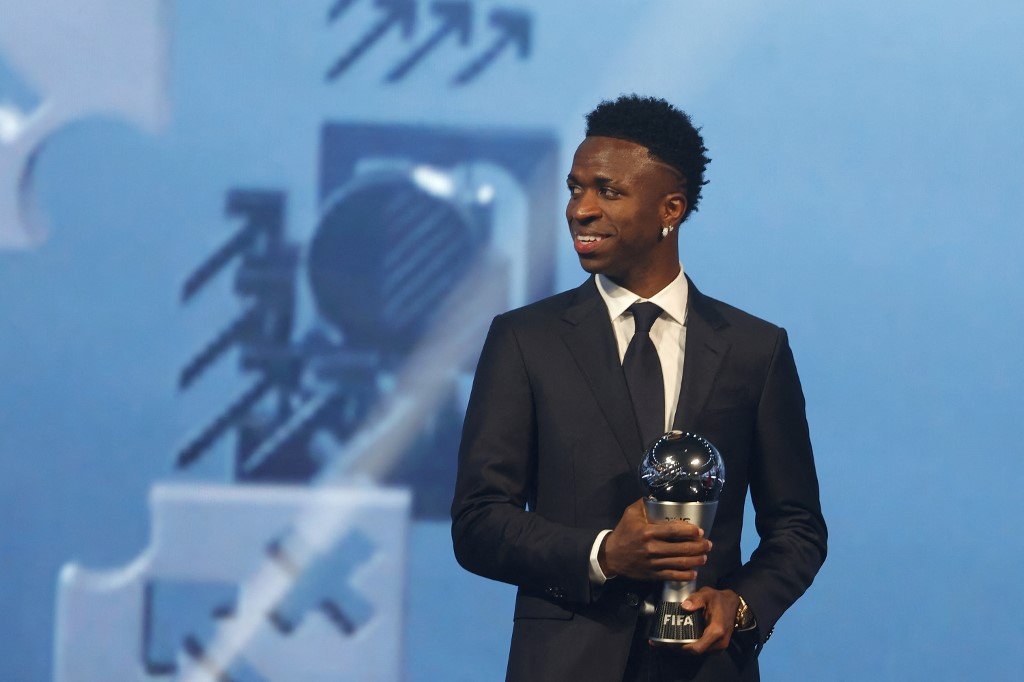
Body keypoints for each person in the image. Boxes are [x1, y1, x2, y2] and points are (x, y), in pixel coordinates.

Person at [451, 94, 827, 681]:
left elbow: (798, 528)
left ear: (669, 209)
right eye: (575, 189)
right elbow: (478, 522)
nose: (581, 209)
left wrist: (744, 605)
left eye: (608, 190)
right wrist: (602, 553)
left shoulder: (756, 349)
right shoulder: (526, 340)